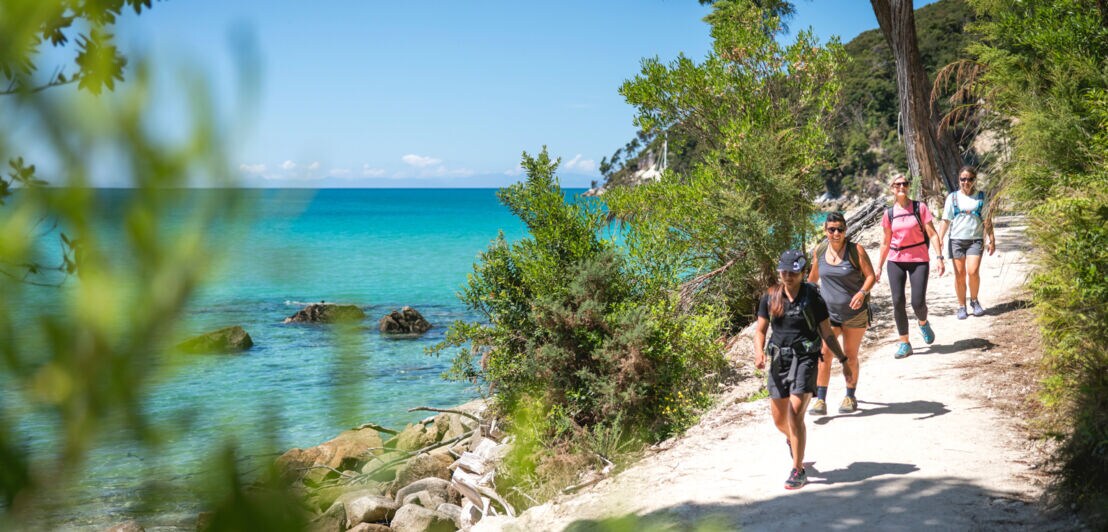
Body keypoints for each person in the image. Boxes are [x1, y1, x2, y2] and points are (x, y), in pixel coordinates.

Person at [754, 249, 848, 490]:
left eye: (793, 272)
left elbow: (826, 332)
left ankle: (798, 469)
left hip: (805, 359)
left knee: (795, 413)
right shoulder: (770, 297)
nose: (787, 276)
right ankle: (793, 439)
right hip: (779, 361)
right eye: (783, 271)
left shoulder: (813, 298)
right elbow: (761, 330)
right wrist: (758, 351)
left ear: (803, 273)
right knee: (779, 420)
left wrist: (843, 359)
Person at [807, 212, 876, 416]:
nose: (836, 233)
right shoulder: (820, 251)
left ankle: (850, 396)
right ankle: (820, 400)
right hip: (829, 315)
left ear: (845, 230)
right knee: (824, 355)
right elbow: (812, 280)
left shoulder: (856, 251)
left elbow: (871, 276)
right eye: (832, 229)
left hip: (855, 315)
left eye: (840, 229)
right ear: (825, 230)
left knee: (850, 355)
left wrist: (862, 293)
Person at [875, 174, 946, 359]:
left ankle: (923, 323)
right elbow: (885, 241)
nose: (901, 187)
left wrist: (939, 257)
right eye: (897, 184)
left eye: (904, 184)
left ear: (908, 187)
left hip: (919, 259)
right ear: (892, 188)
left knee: (917, 302)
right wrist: (879, 267)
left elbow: (932, 234)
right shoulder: (889, 214)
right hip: (895, 259)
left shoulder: (919, 207)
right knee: (898, 301)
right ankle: (904, 343)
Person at [937, 166, 996, 319]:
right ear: (959, 180)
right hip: (956, 240)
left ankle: (974, 301)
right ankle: (961, 305)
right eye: (963, 179)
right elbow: (946, 219)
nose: (966, 182)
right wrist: (940, 238)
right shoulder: (953, 198)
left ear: (974, 180)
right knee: (960, 275)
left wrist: (992, 239)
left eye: (969, 179)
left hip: (975, 240)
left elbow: (987, 220)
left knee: (972, 271)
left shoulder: (981, 197)